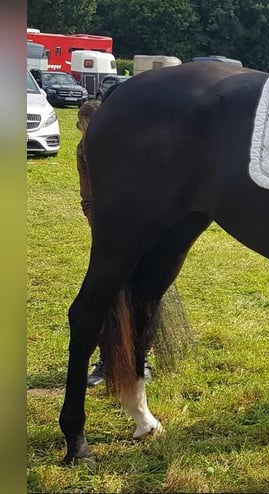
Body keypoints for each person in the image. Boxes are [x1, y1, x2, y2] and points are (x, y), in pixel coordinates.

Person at [76, 100, 154, 386]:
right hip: (110, 229)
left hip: (142, 225)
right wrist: (102, 230)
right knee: (108, 295)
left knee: (146, 296)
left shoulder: (135, 147)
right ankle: (106, 360)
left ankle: (140, 357)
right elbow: (88, 197)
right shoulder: (84, 150)